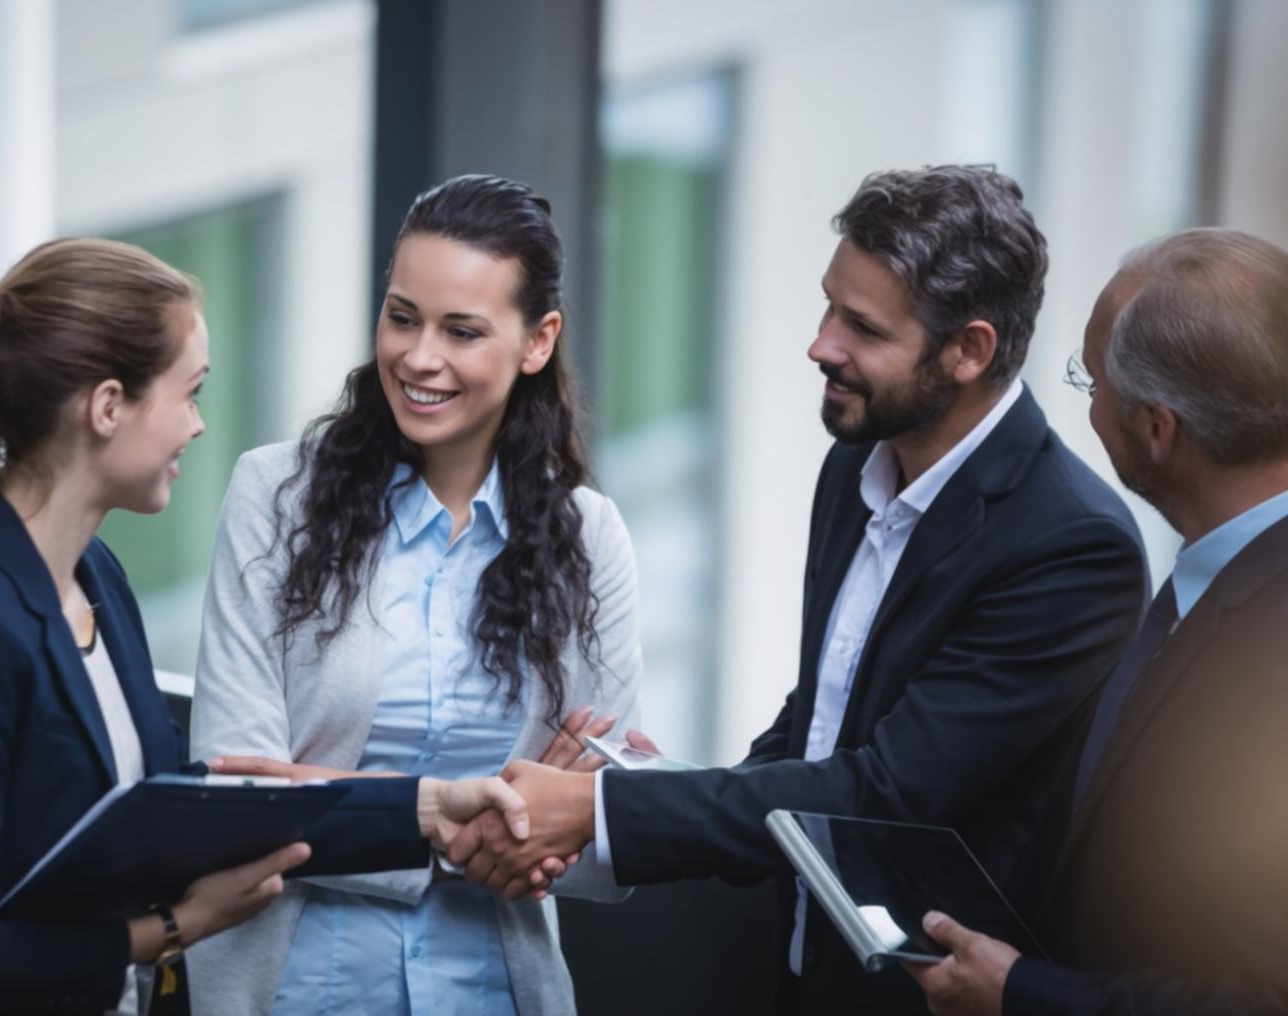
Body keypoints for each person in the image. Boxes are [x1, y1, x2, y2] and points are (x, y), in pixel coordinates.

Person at [448, 165, 1150, 1014]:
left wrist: (608, 811)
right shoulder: (857, 460)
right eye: (830, 306)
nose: (822, 343)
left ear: (969, 351)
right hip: (800, 971)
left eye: (862, 327)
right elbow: (822, 719)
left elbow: (881, 797)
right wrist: (657, 783)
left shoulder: (1072, 546)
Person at [0, 238, 532, 1016]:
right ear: (106, 407)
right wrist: (175, 927)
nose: (196, 426)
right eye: (188, 393)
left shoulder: (95, 575)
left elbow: (173, 811)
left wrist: (429, 808)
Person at [187, 174, 643, 1016]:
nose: (418, 357)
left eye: (462, 331)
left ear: (538, 341)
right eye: (402, 317)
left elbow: (599, 836)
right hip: (293, 988)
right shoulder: (274, 497)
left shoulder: (590, 538)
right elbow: (237, 801)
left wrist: (337, 794)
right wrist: (456, 818)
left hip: (497, 992)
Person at [909, 228, 1288, 1015]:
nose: (1087, 403)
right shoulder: (1221, 577)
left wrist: (1022, 993)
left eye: (1092, 381)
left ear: (1157, 429)